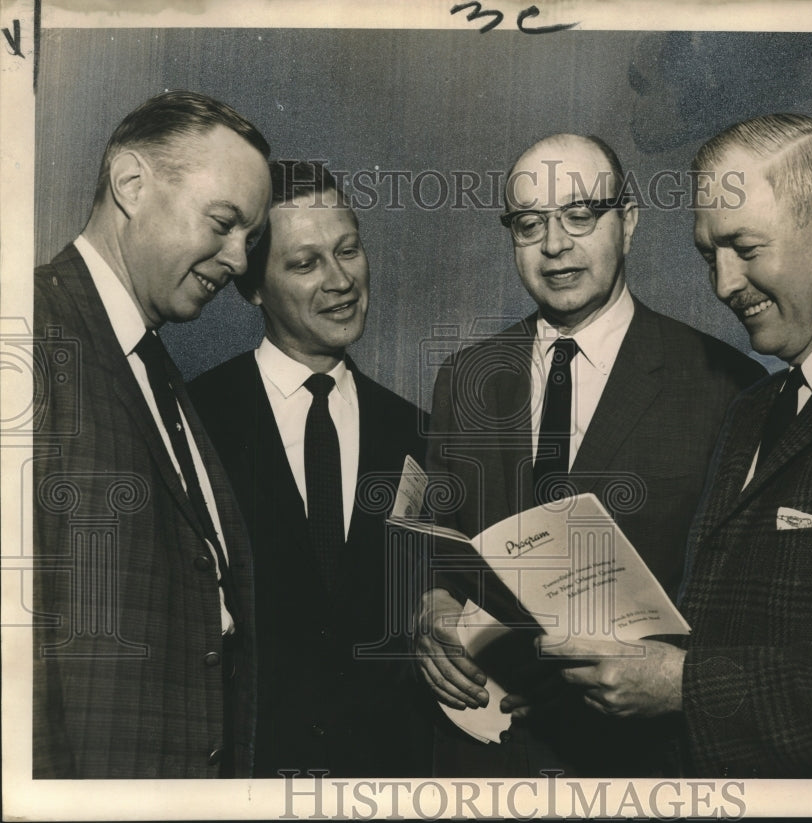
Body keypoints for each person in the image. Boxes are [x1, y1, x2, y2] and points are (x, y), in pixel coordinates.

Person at [541, 114, 812, 778]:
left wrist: (686, 684)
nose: (724, 284)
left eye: (744, 247)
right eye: (711, 255)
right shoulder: (752, 409)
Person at [415, 133, 765, 776]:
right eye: (530, 224)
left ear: (627, 223)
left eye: (580, 216)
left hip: (640, 766)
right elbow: (438, 546)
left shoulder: (727, 387)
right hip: (485, 763)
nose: (555, 245)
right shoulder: (464, 378)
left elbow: (746, 604)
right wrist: (431, 603)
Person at [32, 91, 272, 778]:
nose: (235, 260)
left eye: (249, 240)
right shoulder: (29, 331)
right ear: (131, 184)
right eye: (223, 223)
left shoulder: (154, 363)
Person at [188, 161, 432, 777]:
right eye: (306, 263)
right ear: (252, 286)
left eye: (348, 250)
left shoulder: (419, 433)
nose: (341, 279)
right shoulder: (194, 419)